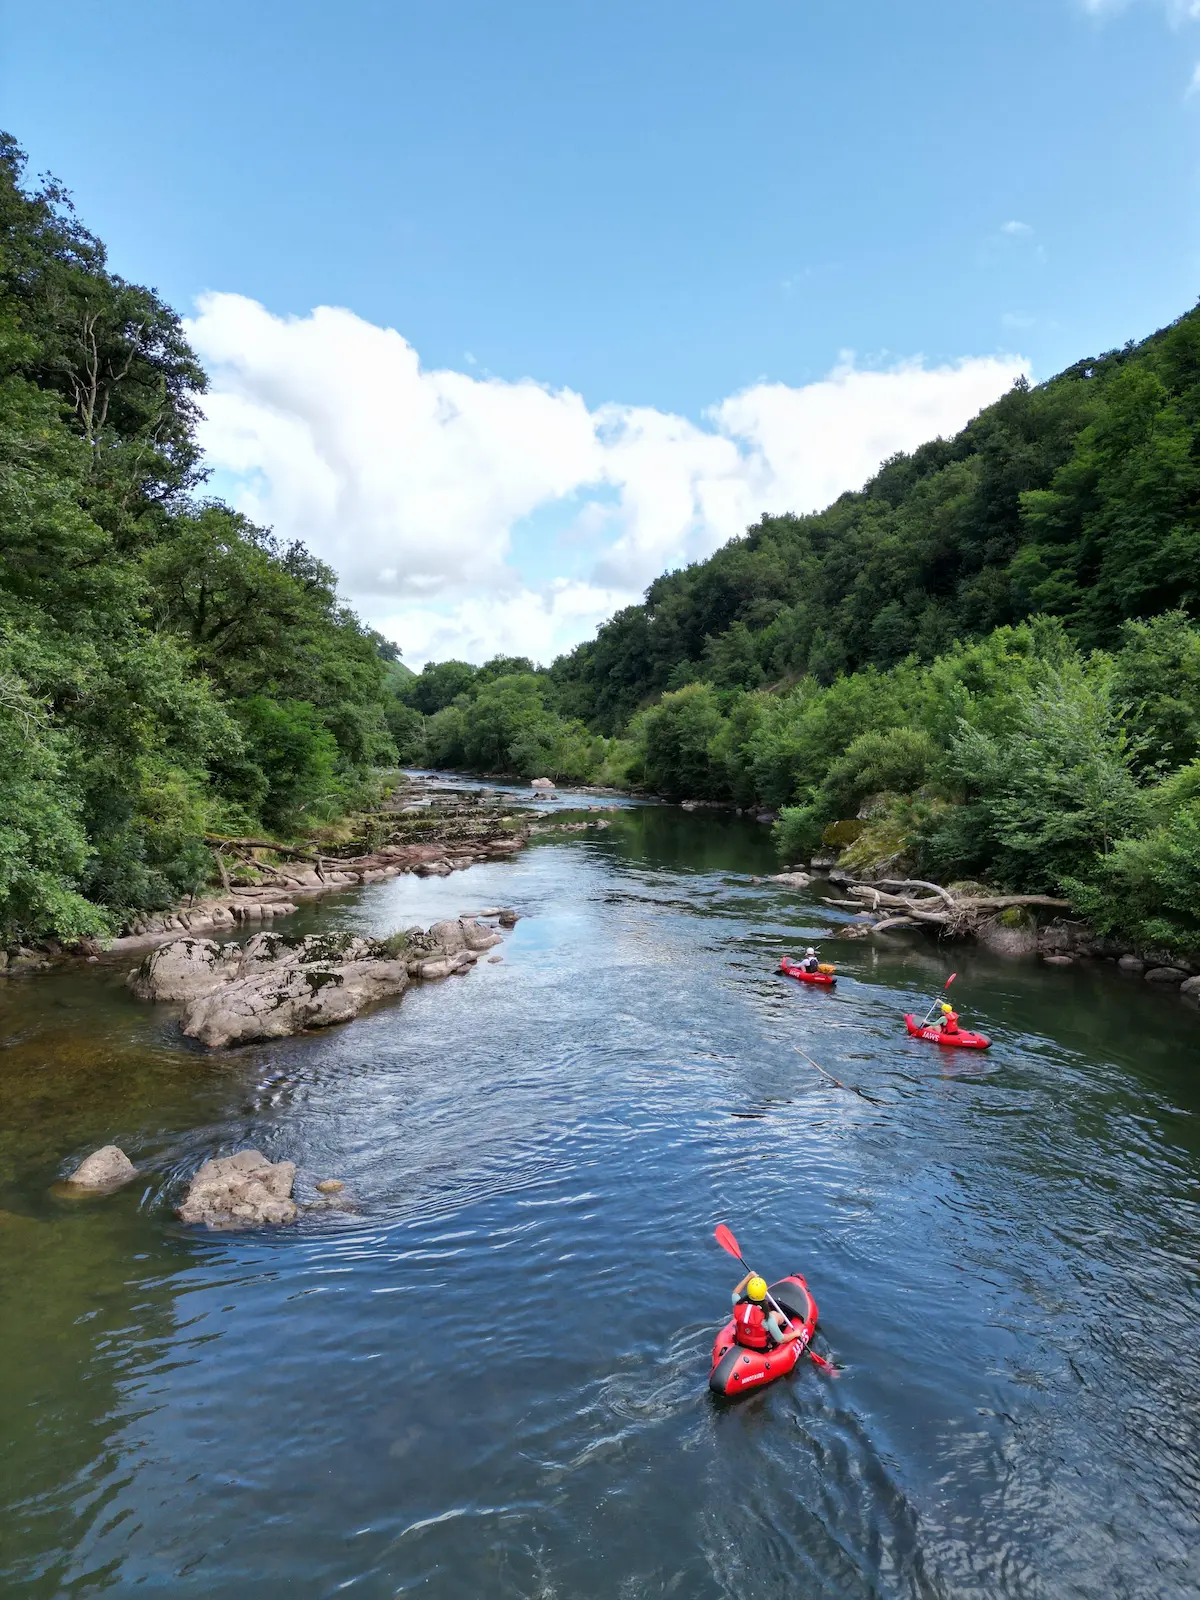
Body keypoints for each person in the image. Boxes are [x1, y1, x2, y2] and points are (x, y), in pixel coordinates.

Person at [731, 1271, 803, 1350]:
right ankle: (783, 1320)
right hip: (760, 1349)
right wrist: (795, 1334)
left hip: (741, 1343)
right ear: (764, 1293)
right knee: (775, 1315)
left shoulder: (739, 1305)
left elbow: (735, 1293)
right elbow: (781, 1339)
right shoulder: (767, 1317)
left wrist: (748, 1277)